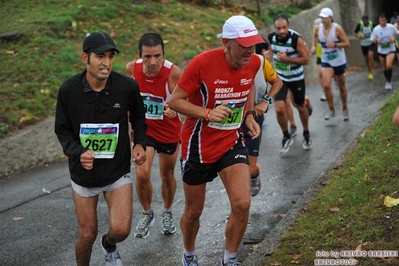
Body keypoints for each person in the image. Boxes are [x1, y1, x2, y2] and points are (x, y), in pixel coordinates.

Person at [168, 15, 263, 266]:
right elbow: (175, 101)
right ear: (226, 42)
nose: (250, 49)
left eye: (253, 43)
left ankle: (229, 259)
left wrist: (250, 114)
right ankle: (189, 253)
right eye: (244, 44)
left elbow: (249, 84)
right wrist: (207, 113)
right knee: (193, 212)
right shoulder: (202, 63)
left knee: (242, 203)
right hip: (198, 146)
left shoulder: (253, 62)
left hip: (231, 140)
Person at [54, 32, 147, 266]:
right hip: (83, 172)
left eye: (110, 57)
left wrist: (139, 143)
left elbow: (139, 117)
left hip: (116, 170)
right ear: (86, 57)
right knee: (87, 235)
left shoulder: (127, 86)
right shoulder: (68, 90)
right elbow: (62, 130)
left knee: (121, 229)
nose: (106, 63)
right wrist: (77, 152)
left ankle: (109, 245)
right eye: (100, 57)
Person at [125, 32, 182, 238]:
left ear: (163, 55)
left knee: (167, 175)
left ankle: (167, 212)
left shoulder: (173, 73)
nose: (153, 62)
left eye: (157, 56)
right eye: (147, 57)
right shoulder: (131, 69)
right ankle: (147, 213)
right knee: (142, 174)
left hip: (168, 131)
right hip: (144, 131)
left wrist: (175, 109)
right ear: (139, 55)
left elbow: (185, 99)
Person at [267, 13, 312, 152]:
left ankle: (306, 132)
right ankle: (286, 136)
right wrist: (268, 63)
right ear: (275, 28)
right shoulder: (272, 38)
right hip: (280, 79)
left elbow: (306, 60)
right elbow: (272, 53)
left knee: (298, 106)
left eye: (284, 27)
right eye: (278, 28)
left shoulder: (296, 39)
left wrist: (287, 60)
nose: (281, 31)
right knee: (280, 108)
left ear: (288, 26)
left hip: (296, 78)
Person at [245, 39, 283, 197]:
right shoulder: (224, 63)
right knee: (234, 166)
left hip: (254, 115)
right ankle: (239, 206)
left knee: (250, 166)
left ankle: (255, 172)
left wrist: (265, 101)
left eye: (251, 47)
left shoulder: (260, 62)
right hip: (234, 118)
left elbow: (277, 82)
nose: (247, 51)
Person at [311, 7, 351, 121]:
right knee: (326, 85)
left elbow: (347, 44)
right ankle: (331, 109)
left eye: (325, 18)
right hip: (326, 60)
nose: (323, 20)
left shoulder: (337, 29)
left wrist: (335, 45)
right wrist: (313, 46)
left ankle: (344, 108)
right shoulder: (318, 28)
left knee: (341, 87)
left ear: (331, 18)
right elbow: (314, 36)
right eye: (321, 17)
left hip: (339, 61)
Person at [371, 13, 399, 90]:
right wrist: (377, 41)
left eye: (383, 20)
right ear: (378, 21)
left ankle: (389, 82)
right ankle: (387, 81)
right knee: (384, 68)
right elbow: (372, 40)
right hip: (381, 50)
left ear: (386, 20)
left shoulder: (391, 27)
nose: (382, 22)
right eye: (380, 20)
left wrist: (393, 38)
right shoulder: (376, 29)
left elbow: (397, 33)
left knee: (388, 65)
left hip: (390, 49)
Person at [353, 14, 375, 80]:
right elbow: (354, 33)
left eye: (366, 21)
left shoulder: (372, 24)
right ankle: (369, 69)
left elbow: (378, 30)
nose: (365, 22)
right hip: (364, 44)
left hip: (371, 43)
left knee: (370, 57)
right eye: (364, 21)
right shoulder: (360, 25)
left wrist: (375, 38)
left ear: (368, 20)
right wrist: (359, 36)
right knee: (367, 59)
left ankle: (370, 72)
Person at [313, 18, 328, 101]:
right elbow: (314, 39)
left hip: (328, 54)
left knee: (333, 73)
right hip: (320, 55)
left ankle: (336, 80)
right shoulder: (315, 31)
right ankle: (324, 92)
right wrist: (313, 47)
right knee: (321, 73)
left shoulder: (328, 30)